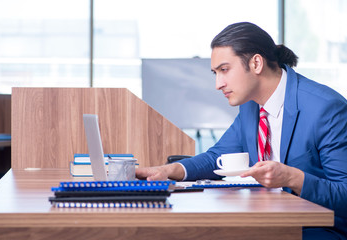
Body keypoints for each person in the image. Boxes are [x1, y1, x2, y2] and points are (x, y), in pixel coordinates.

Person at [135, 22, 347, 239]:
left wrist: (292, 178)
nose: (218, 84)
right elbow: (217, 157)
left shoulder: (326, 108)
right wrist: (169, 170)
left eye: (224, 70)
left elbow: (344, 193)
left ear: (256, 63)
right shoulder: (251, 105)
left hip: (319, 229)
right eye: (215, 73)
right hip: (269, 222)